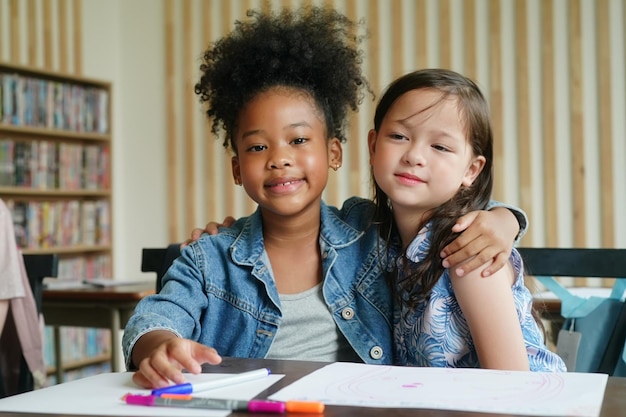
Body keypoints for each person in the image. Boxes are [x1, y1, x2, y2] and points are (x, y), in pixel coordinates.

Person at [123, 7, 526, 389]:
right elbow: (159, 316)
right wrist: (158, 346)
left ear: (334, 153)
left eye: (299, 140)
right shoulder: (208, 258)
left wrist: (506, 219)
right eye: (257, 148)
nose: (280, 159)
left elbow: (446, 217)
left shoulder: (369, 230)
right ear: (236, 169)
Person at [367, 68, 565, 371]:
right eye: (399, 136)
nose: (414, 155)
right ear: (372, 145)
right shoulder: (380, 240)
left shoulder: (469, 250)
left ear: (471, 171)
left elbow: (509, 383)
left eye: (440, 147)